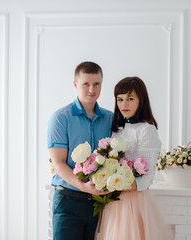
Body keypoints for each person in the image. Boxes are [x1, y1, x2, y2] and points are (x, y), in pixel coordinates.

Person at [95, 76, 173, 240]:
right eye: (120, 99)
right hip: (113, 201)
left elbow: (146, 179)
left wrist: (115, 183)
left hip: (134, 202)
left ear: (141, 100)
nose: (124, 104)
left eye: (130, 99)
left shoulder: (146, 130)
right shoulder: (117, 129)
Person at [47, 61, 113, 240]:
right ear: (76, 85)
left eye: (97, 84)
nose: (92, 89)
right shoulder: (61, 118)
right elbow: (58, 163)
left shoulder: (110, 119)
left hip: (100, 204)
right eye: (86, 84)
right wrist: (83, 186)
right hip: (68, 202)